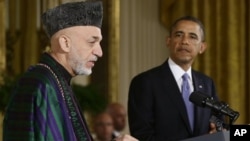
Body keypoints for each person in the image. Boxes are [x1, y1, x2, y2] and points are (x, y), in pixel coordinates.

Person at [3, 1, 138, 141]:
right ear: (65, 43)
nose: (100, 52)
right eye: (92, 42)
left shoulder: (57, 80)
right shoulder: (41, 84)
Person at [128, 16, 223, 141]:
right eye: (179, 35)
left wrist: (217, 129)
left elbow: (216, 119)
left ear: (202, 47)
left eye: (192, 36)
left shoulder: (206, 83)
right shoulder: (144, 82)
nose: (184, 41)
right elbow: (142, 134)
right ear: (168, 41)